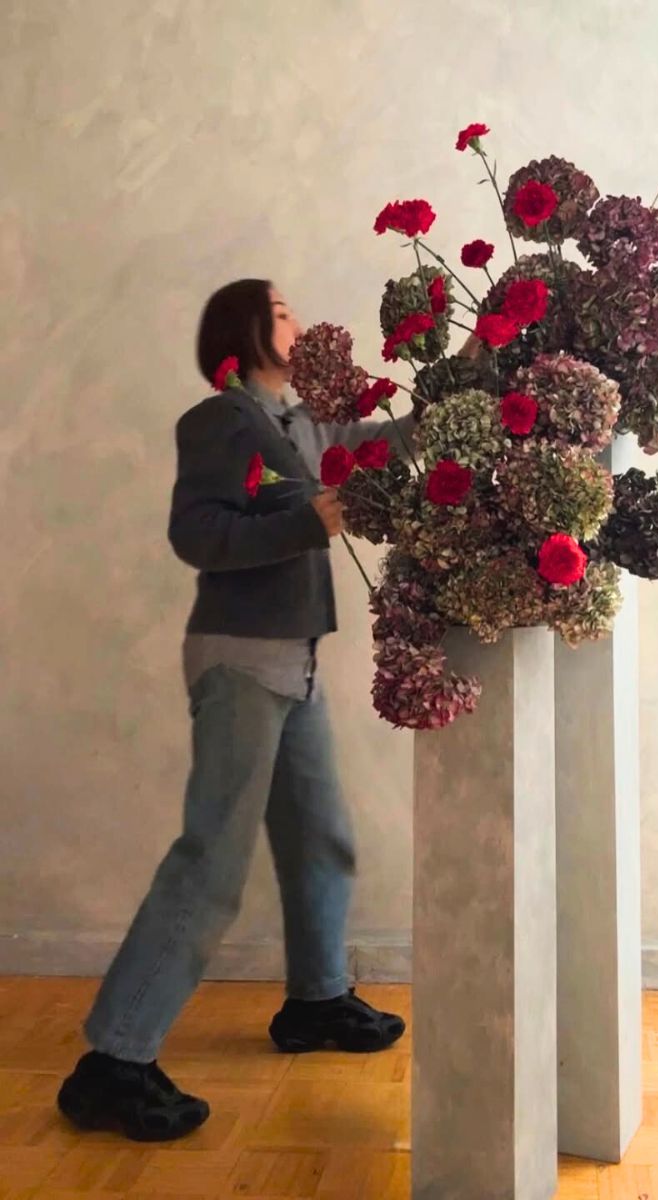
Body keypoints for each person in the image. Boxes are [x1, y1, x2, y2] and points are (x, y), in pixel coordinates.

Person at [57, 279, 411, 1143]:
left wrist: (470, 368)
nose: (299, 319)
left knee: (320, 836)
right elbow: (197, 535)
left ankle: (317, 1002)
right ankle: (113, 1064)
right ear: (246, 330)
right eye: (282, 311)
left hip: (296, 660)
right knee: (212, 859)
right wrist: (307, 526)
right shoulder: (221, 419)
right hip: (242, 661)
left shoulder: (304, 424)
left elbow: (389, 443)